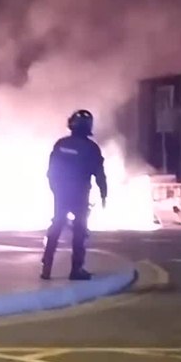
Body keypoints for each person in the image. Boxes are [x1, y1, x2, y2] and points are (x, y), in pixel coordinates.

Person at [42, 109, 107, 281]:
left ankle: (46, 267)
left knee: (56, 226)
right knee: (79, 231)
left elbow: (51, 171)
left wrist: (55, 189)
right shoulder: (91, 148)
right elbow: (99, 173)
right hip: (80, 194)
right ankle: (76, 269)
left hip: (62, 193)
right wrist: (103, 193)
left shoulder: (61, 144)